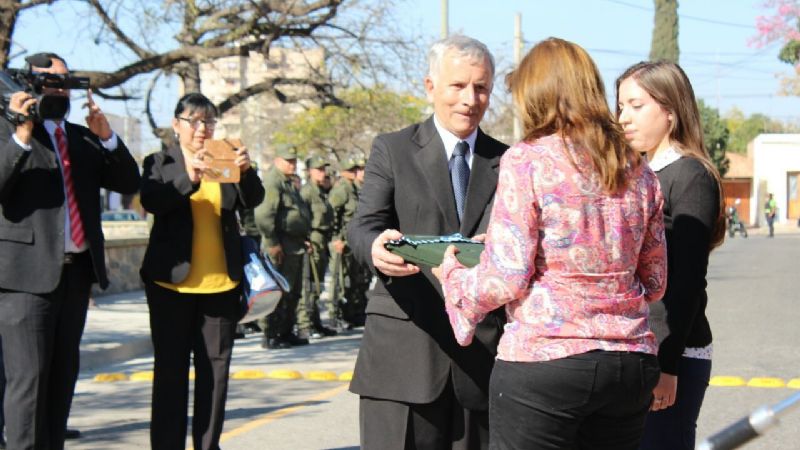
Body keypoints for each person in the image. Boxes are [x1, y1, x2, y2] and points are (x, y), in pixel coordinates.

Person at [432, 38, 667, 449]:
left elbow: (505, 279)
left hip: (546, 365)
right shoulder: (639, 169)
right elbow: (655, 280)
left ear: (536, 95)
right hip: (629, 362)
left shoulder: (528, 160)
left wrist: (453, 274)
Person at [346, 35, 508, 449]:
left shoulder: (510, 161)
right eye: (458, 86)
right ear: (430, 87)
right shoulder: (393, 149)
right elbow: (363, 226)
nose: (470, 99)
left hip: (482, 361)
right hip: (404, 358)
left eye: (482, 87)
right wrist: (377, 248)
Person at [0, 52, 140, 449]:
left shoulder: (80, 137)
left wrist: (107, 137)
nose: (59, 88)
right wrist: (20, 134)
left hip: (75, 274)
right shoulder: (9, 131)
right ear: (30, 83)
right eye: (51, 81)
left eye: (65, 81)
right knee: (28, 381)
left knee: (62, 378)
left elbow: (128, 181)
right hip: (24, 278)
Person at [139, 92, 265, 450]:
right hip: (170, 286)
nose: (202, 129)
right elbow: (152, 200)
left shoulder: (223, 157)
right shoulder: (159, 162)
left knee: (215, 374)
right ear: (176, 125)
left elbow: (252, 199)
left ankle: (208, 445)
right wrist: (189, 178)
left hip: (221, 285)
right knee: (170, 373)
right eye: (194, 121)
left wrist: (246, 170)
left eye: (208, 122)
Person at [616, 60, 726, 450]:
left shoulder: (690, 175)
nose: (623, 118)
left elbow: (686, 282)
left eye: (635, 105)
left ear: (670, 110)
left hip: (672, 353)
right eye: (621, 107)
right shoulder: (641, 174)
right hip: (638, 349)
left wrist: (667, 365)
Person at [255, 144, 312, 349]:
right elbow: (264, 214)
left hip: (293, 245)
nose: (292, 164)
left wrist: (302, 237)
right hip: (280, 246)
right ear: (277, 160)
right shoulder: (273, 181)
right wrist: (272, 242)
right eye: (288, 161)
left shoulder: (287, 182)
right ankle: (270, 334)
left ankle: (286, 331)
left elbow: (295, 215)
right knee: (276, 292)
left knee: (292, 292)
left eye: (294, 161)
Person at [329, 154, 370, 329]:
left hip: (352, 241)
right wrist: (335, 239)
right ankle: (334, 315)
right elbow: (331, 215)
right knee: (339, 279)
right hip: (341, 243)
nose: (357, 172)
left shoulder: (356, 188)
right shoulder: (341, 189)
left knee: (355, 279)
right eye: (353, 170)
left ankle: (352, 313)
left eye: (358, 169)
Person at [299, 155, 337, 338]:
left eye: (324, 169)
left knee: (318, 283)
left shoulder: (321, 191)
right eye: (319, 169)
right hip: (312, 238)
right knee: (309, 284)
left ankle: (316, 322)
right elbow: (300, 217)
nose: (323, 172)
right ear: (310, 172)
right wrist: (305, 239)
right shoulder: (307, 192)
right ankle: (305, 325)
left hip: (322, 240)